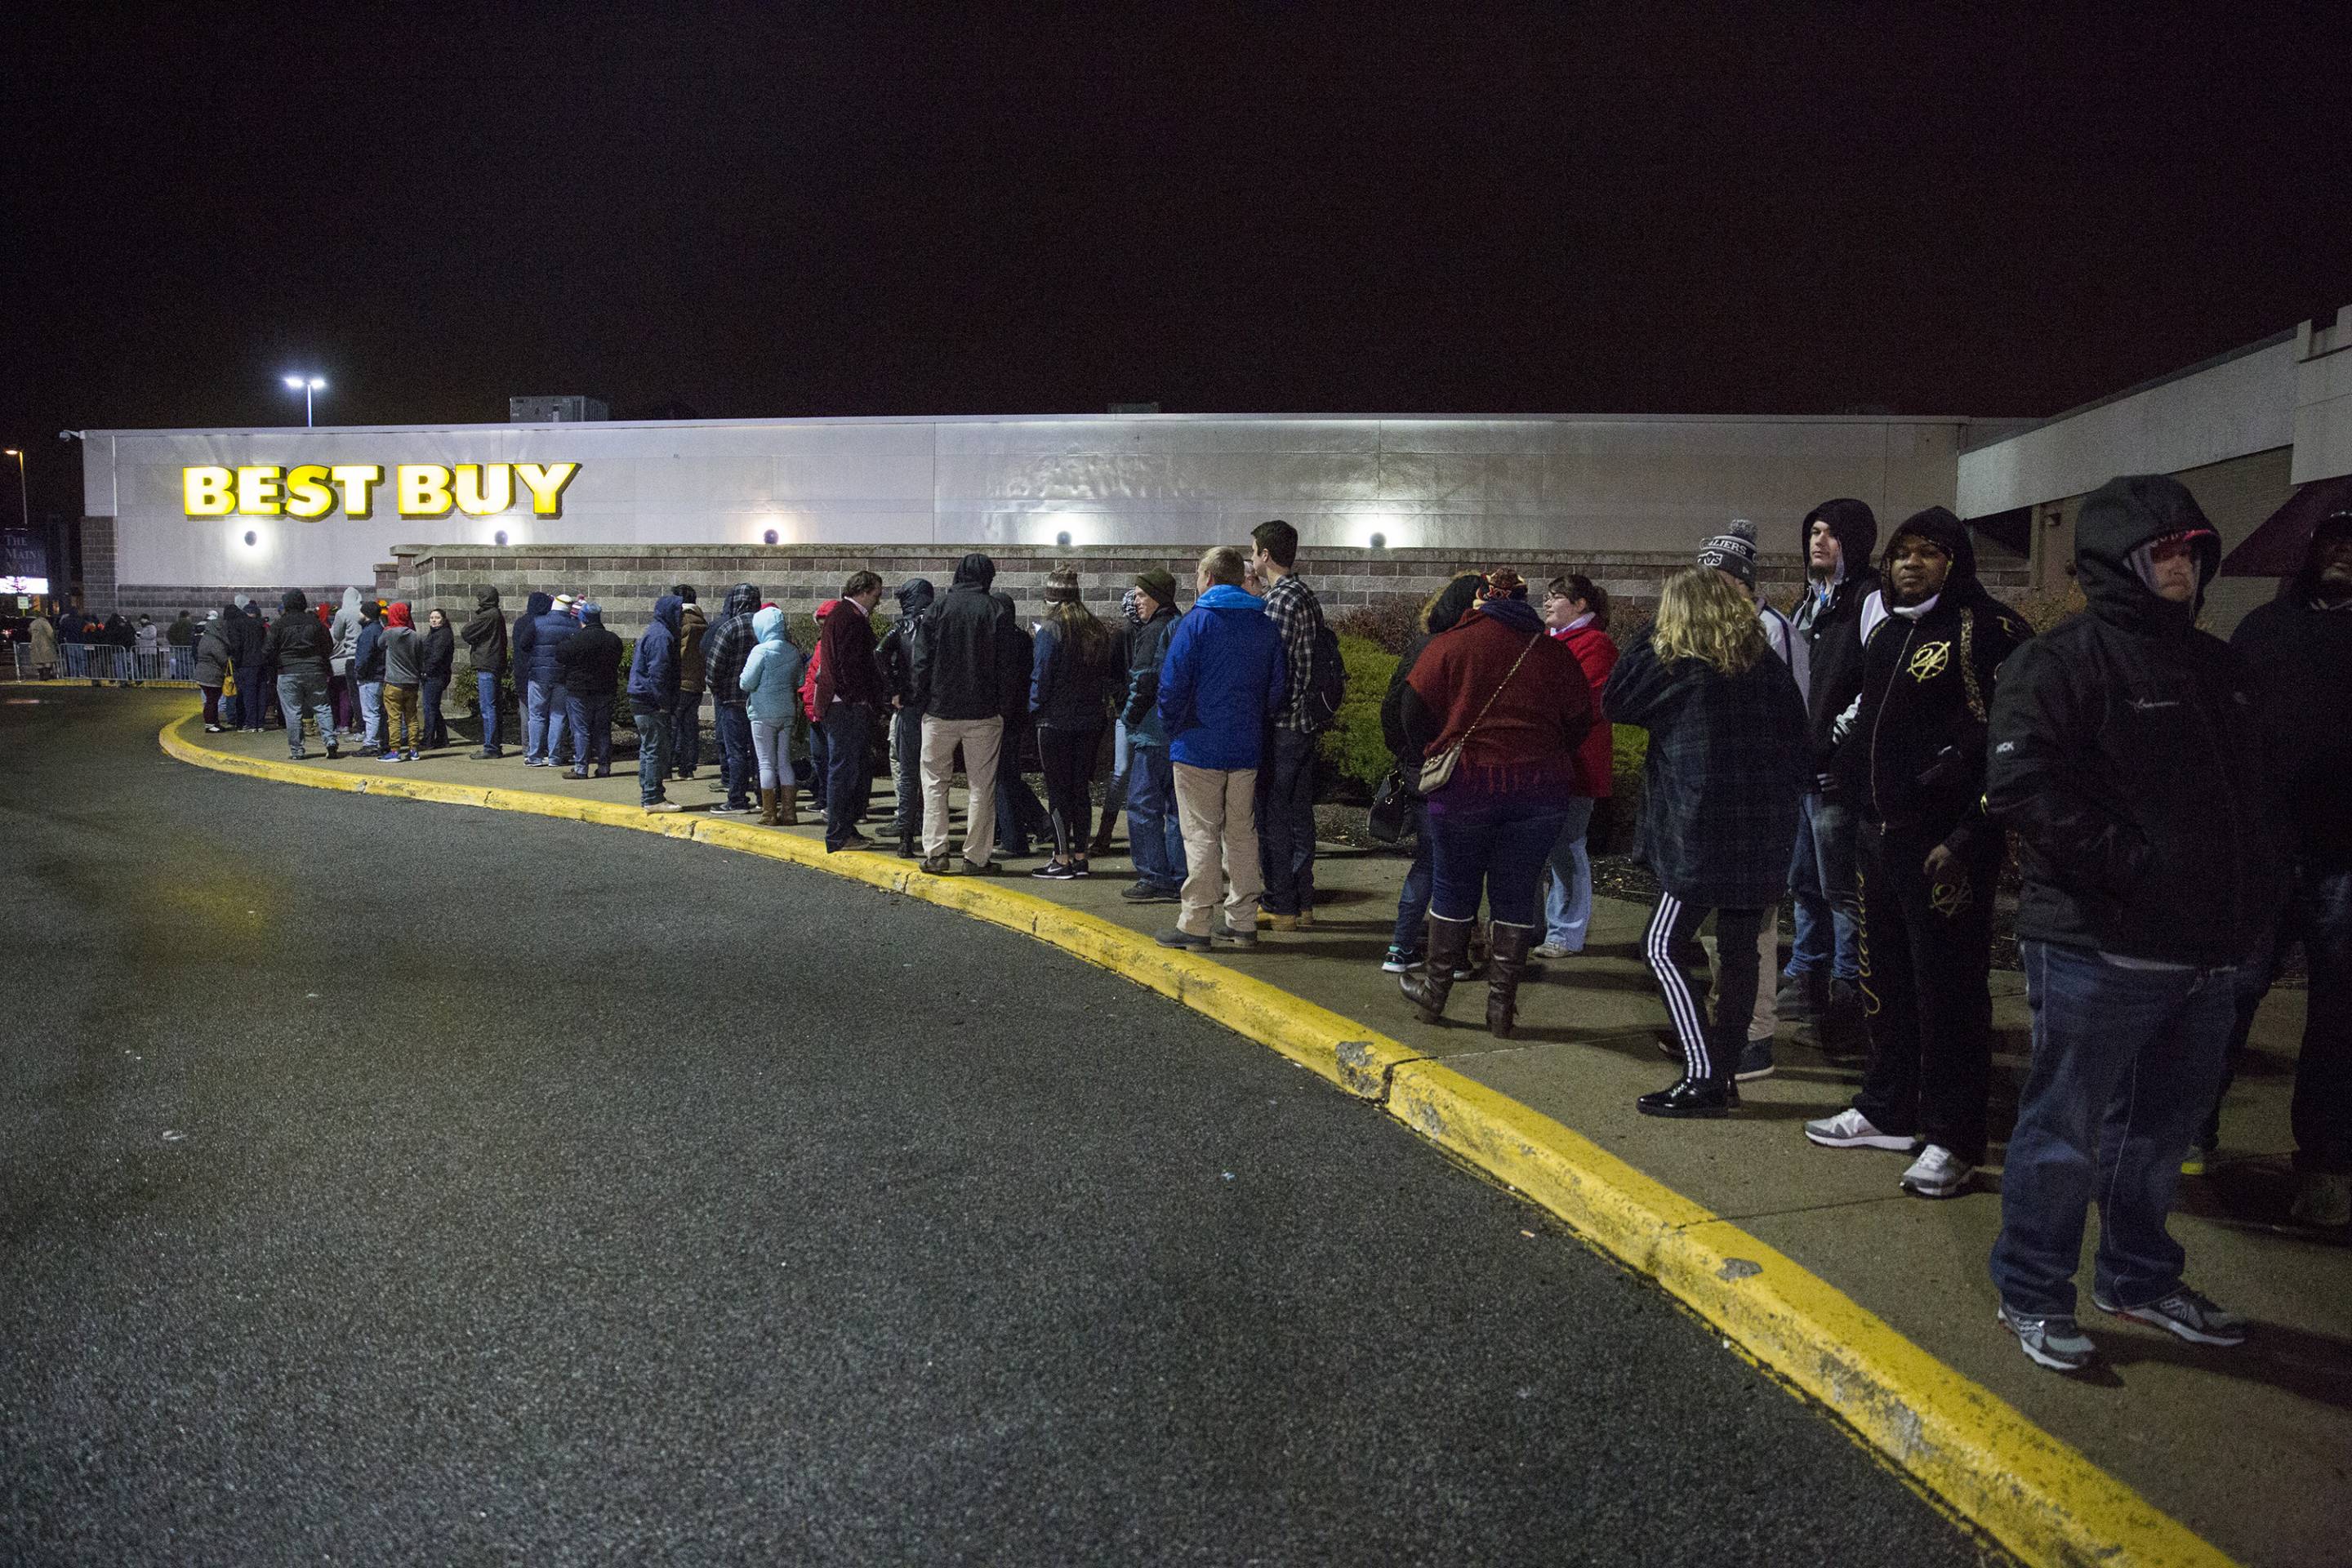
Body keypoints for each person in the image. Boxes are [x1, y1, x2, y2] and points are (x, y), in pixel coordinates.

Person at [1984, 474, 2284, 1374]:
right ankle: (2033, 1292)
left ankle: (2139, 1279)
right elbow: (2022, 786)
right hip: (2099, 945)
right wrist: (2138, 869)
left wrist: (2258, 895)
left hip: (2209, 954)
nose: (2181, 566)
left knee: (2158, 1138)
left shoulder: (2219, 665)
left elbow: (2255, 796)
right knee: (2063, 1135)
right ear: (2117, 561)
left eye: (2192, 550)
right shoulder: (2060, 661)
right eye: (2162, 551)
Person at [1801, 508, 2032, 1198]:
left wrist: (1968, 835)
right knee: (1886, 984)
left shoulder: (1989, 632)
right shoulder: (1889, 632)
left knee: (1949, 995)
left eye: (1929, 552)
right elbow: (1871, 724)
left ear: (1955, 562)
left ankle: (1954, 1138)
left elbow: (2009, 749)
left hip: (1945, 852)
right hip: (1881, 840)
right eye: (1903, 552)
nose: (1911, 563)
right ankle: (1888, 1107)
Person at [1606, 566, 1810, 1116]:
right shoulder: (1763, 665)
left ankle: (1702, 1076)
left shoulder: (1680, 667)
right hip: (1762, 829)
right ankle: (1723, 1073)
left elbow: (1615, 699)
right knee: (1741, 952)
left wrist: (1651, 631)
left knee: (1661, 945)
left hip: (1700, 831)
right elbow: (1800, 742)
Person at [2205, 511, 2352, 1225]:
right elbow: (2225, 729)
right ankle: (2190, 1129)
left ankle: (2327, 1164)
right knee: (2229, 993)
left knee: (2340, 1016)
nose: (2344, 554)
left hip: (2345, 858)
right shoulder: (2263, 629)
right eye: (2334, 541)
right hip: (2263, 850)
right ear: (2311, 551)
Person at [1395, 569, 1595, 1037]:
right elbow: (1580, 720)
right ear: (1523, 602)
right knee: (1517, 891)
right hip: (1540, 789)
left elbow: (1411, 710)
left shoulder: (1451, 645)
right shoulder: (1553, 653)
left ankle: (1435, 994)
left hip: (1465, 787)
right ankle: (1501, 1008)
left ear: (1482, 599)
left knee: (1452, 885)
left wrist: (1436, 747)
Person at [1696, 519, 1811, 1074]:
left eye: (1716, 580)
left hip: (1758, 801)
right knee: (1718, 924)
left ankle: (1754, 1036)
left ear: (1741, 582)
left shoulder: (1772, 632)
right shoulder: (1709, 631)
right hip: (1719, 799)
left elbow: (1791, 719)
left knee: (1754, 928)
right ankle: (1722, 1024)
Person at [1780, 498, 1882, 1056]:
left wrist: (1836, 743)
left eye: (1832, 534)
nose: (1819, 541)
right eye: (1814, 531)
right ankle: (1806, 976)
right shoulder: (1808, 603)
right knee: (1804, 882)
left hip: (1836, 773)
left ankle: (1849, 996)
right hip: (1803, 771)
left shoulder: (1868, 600)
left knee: (1842, 889)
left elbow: (1876, 682)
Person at [1155, 545, 1287, 952]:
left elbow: (1172, 686)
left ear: (1209, 577)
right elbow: (1277, 690)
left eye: (1198, 575)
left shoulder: (1195, 623)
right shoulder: (1264, 625)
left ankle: (1196, 923)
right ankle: (1243, 921)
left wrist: (1173, 728)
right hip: (1246, 746)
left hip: (1198, 746)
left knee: (1201, 834)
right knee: (1242, 833)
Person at [1379, 574, 1489, 973]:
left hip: (1422, 769)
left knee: (1428, 860)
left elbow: (1393, 709)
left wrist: (1411, 755)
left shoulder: (1422, 647)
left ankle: (1401, 947)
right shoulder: (1467, 650)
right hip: (1459, 769)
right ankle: (1453, 955)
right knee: (1460, 866)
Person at [914, 554, 1022, 875]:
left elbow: (921, 662)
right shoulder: (996, 610)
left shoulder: (938, 608)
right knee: (981, 786)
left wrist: (920, 700)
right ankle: (975, 857)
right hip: (983, 713)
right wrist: (1005, 707)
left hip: (939, 710)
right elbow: (1008, 667)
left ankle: (936, 853)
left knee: (935, 783)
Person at [1536, 574, 1619, 960]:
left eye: (1556, 597)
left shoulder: (1595, 645)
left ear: (1580, 604)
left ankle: (1566, 932)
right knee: (1547, 847)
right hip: (1545, 760)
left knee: (1567, 846)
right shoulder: (1548, 641)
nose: (1547, 603)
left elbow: (1583, 701)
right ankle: (1539, 926)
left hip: (1577, 763)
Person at [1251, 519, 1328, 929]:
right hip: (1305, 723)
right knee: (1299, 817)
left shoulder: (1279, 601)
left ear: (1265, 555)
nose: (1251, 558)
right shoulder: (1305, 594)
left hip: (1283, 725)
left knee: (1273, 817)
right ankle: (1302, 902)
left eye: (1254, 551)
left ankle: (1280, 904)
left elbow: (1273, 669)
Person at [1028, 567, 1120, 879]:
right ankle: (1081, 857)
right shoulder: (1095, 628)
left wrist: (1033, 709)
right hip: (1090, 722)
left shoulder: (1051, 630)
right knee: (1080, 789)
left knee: (1057, 791)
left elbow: (1041, 677)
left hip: (1055, 722)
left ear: (1051, 597)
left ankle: (1061, 858)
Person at [1117, 568, 1189, 905]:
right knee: (1176, 809)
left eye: (1142, 596)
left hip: (1152, 732)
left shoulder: (1154, 631)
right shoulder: (1181, 624)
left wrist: (1128, 718)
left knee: (1143, 804)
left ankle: (1153, 876)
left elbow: (1144, 680)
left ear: (1157, 597)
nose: (1137, 602)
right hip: (1179, 732)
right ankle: (1179, 876)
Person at [814, 571, 887, 852]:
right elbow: (849, 665)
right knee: (844, 770)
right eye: (877, 595)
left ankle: (844, 828)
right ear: (864, 591)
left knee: (846, 769)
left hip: (839, 703)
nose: (878, 601)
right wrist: (859, 699)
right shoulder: (850, 618)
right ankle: (839, 833)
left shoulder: (841, 615)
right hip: (845, 706)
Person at [878, 577, 936, 857]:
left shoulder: (902, 627)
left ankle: (906, 837)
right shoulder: (938, 624)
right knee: (935, 775)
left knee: (908, 774)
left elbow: (879, 653)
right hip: (936, 707)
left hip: (909, 707)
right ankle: (932, 835)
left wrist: (893, 689)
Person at [737, 604, 808, 826]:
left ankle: (769, 813)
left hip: (762, 712)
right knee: (784, 762)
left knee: (766, 763)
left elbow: (746, 683)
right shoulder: (792, 651)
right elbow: (800, 680)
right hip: (787, 711)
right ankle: (789, 812)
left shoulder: (760, 651)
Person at [698, 582, 763, 816]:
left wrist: (718, 691)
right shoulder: (765, 626)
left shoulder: (729, 627)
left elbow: (714, 667)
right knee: (760, 754)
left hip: (732, 701)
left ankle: (737, 799)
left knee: (736, 753)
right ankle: (764, 798)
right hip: (760, 702)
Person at [1092, 586, 1143, 859]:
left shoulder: (1136, 633)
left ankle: (1105, 835)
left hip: (1131, 711)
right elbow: (1111, 675)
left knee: (1122, 773)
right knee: (1123, 771)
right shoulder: (1125, 636)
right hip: (1130, 711)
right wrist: (1126, 698)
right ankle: (1105, 834)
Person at [261, 590, 337, 760]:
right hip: (315, 669)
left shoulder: (279, 625)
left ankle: (297, 750)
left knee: (293, 712)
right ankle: (331, 741)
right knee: (322, 707)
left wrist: (277, 663)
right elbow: (328, 646)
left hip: (288, 671)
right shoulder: (316, 623)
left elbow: (268, 650)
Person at [628, 594, 685, 813]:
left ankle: (649, 792)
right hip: (651, 701)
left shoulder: (654, 631)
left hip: (642, 699)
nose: (681, 616)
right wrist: (663, 702)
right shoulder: (662, 636)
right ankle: (653, 797)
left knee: (648, 748)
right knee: (656, 749)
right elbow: (658, 673)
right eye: (678, 611)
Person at [555, 601, 622, 777]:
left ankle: (581, 768)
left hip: (579, 691)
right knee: (603, 730)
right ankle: (604, 767)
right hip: (606, 689)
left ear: (583, 619)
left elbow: (560, 655)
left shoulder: (576, 639)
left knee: (581, 730)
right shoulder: (613, 639)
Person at [519, 591, 573, 767]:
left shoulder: (538, 622)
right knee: (558, 716)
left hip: (538, 676)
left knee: (537, 715)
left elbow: (524, 644)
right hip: (563, 676)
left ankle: (534, 756)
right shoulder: (575, 626)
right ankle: (555, 756)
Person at [462, 589, 509, 760]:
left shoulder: (488, 615)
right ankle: (494, 745)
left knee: (488, 708)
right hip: (493, 663)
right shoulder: (496, 614)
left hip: (487, 664)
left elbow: (466, 632)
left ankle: (491, 747)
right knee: (493, 707)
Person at [374, 603, 423, 761]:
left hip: (393, 682)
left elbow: (379, 645)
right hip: (412, 682)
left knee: (394, 719)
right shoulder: (416, 636)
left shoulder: (389, 634)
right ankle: (414, 749)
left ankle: (395, 751)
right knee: (412, 717)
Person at [671, 585, 710, 781]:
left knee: (672, 725)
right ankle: (688, 768)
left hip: (679, 681)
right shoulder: (703, 622)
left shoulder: (681, 622)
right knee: (690, 726)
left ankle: (668, 765)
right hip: (697, 681)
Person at [225, 593, 268, 731]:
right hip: (262, 663)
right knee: (261, 693)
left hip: (246, 663)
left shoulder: (237, 624)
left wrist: (235, 659)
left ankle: (250, 723)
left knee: (248, 694)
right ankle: (260, 723)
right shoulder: (260, 625)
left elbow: (236, 646)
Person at [351, 599, 387, 753]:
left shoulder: (368, 633)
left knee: (370, 712)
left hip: (370, 677)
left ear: (366, 615)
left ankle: (371, 743)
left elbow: (364, 657)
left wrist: (359, 673)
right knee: (379, 711)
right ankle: (380, 741)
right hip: (380, 675)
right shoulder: (380, 629)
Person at [329, 587, 363, 733]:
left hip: (350, 658)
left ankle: (359, 727)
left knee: (353, 695)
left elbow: (337, 635)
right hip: (366, 657)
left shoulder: (342, 613)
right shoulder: (364, 611)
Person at [421, 608, 456, 750]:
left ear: (444, 619)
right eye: (431, 618)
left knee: (429, 708)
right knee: (433, 707)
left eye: (437, 618)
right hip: (434, 675)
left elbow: (436, 656)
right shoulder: (435, 633)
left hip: (436, 675)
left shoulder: (443, 634)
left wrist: (426, 671)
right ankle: (442, 739)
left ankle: (428, 740)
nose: (434, 620)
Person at [192, 610, 231, 728]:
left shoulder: (205, 638)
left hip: (203, 674)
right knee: (212, 701)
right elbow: (222, 658)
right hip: (212, 675)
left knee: (210, 700)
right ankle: (211, 724)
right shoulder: (214, 641)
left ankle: (213, 724)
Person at [165, 609, 196, 679]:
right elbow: (193, 635)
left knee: (179, 662)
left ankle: (180, 678)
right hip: (189, 647)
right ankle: (189, 677)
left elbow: (169, 635)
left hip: (178, 647)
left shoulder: (174, 625)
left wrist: (174, 643)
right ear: (188, 616)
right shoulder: (191, 624)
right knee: (189, 663)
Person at [29, 609, 58, 679]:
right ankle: (47, 675)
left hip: (35, 644)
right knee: (48, 659)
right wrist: (54, 640)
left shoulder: (33, 623)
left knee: (38, 660)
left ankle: (41, 675)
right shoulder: (44, 622)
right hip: (45, 643)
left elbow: (29, 631)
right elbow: (50, 633)